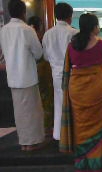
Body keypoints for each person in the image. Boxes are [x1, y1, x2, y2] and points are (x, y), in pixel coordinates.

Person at [60, 13, 102, 172]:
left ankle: (84, 162)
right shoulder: (100, 45)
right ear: (94, 27)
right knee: (101, 125)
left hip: (78, 90)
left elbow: (70, 66)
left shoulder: (71, 45)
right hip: (97, 90)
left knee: (81, 126)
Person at [0, 0, 45, 151]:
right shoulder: (27, 30)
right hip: (27, 76)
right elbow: (38, 53)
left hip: (12, 76)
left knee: (19, 112)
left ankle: (24, 142)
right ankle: (32, 142)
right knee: (32, 112)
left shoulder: (4, 30)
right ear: (23, 12)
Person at [42, 2, 78, 141]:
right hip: (73, 74)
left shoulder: (48, 34)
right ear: (70, 16)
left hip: (56, 74)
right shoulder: (74, 33)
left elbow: (45, 56)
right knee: (74, 104)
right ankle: (73, 135)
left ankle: (58, 135)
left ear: (56, 16)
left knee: (59, 103)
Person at [28, 16, 54, 137]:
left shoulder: (27, 37)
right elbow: (42, 55)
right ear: (40, 26)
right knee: (46, 100)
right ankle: (46, 129)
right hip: (43, 71)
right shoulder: (38, 38)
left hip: (30, 74)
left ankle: (40, 129)